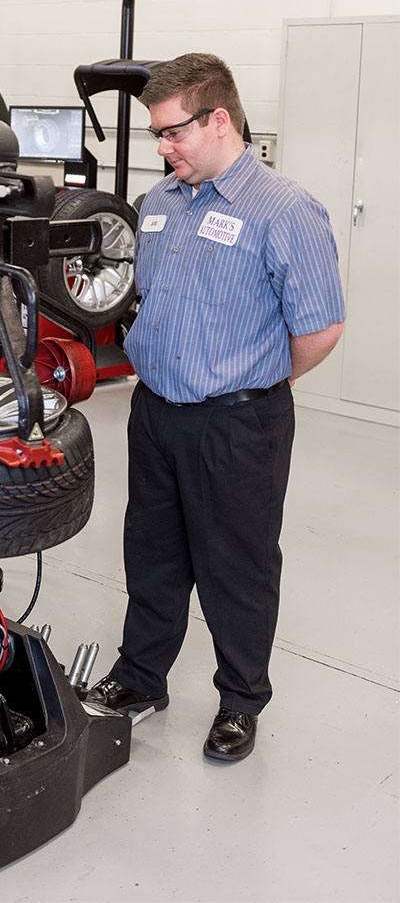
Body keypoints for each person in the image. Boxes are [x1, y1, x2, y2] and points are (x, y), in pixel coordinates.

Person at [85, 53, 345, 762]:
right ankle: (141, 679)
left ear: (219, 119)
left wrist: (259, 382)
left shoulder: (285, 209)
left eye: (172, 133)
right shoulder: (159, 205)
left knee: (237, 564)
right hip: (156, 411)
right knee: (153, 553)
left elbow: (321, 326)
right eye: (157, 136)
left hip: (239, 420)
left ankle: (239, 700)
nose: (163, 149)